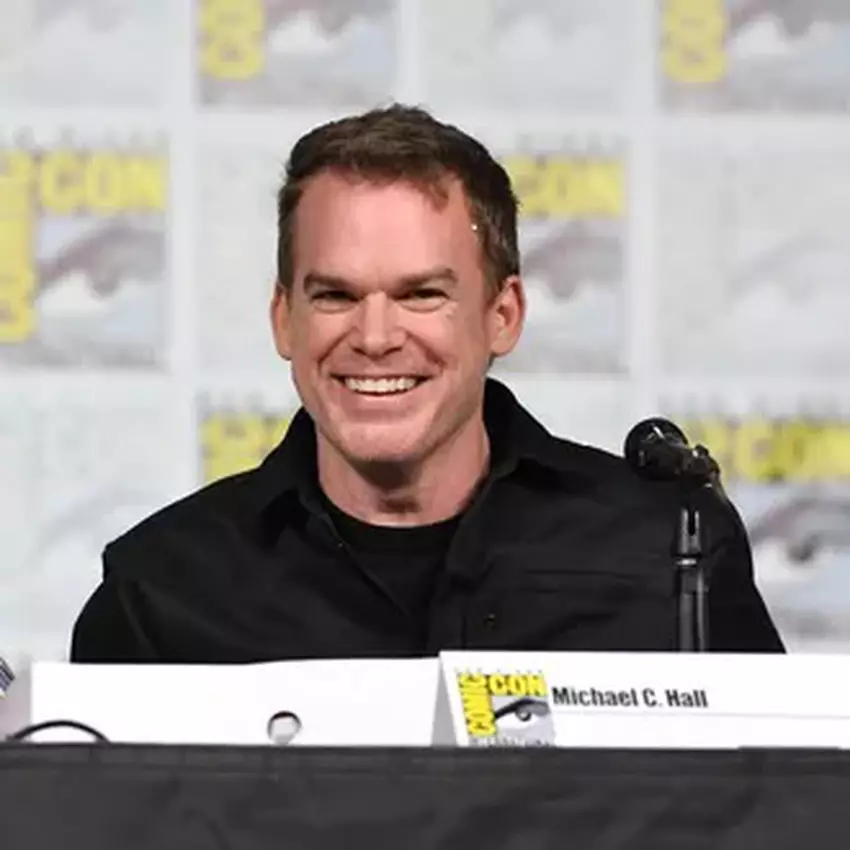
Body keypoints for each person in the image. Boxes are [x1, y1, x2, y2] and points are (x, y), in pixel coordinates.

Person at [70, 104, 784, 662]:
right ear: (284, 320)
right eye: (335, 295)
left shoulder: (670, 554)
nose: (376, 337)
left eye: (421, 295)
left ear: (503, 315)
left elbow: (776, 801)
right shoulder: (160, 591)